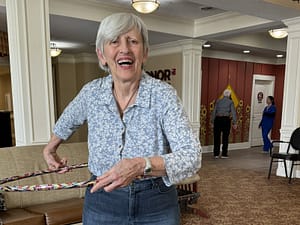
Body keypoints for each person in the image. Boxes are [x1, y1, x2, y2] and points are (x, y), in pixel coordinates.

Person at [43, 13, 201, 225]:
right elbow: (67, 120)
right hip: (102, 201)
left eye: (133, 41)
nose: (124, 49)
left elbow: (192, 157)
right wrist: (50, 148)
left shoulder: (164, 96)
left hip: (156, 203)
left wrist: (140, 165)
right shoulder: (91, 94)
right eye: (114, 41)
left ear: (144, 53)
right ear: (101, 55)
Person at [211, 89, 237, 159]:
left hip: (217, 120)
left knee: (216, 137)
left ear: (223, 94)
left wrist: (212, 122)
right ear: (229, 95)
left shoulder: (218, 101)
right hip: (226, 120)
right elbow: (233, 113)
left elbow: (214, 112)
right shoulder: (230, 102)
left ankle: (216, 154)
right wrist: (234, 123)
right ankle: (224, 154)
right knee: (225, 137)